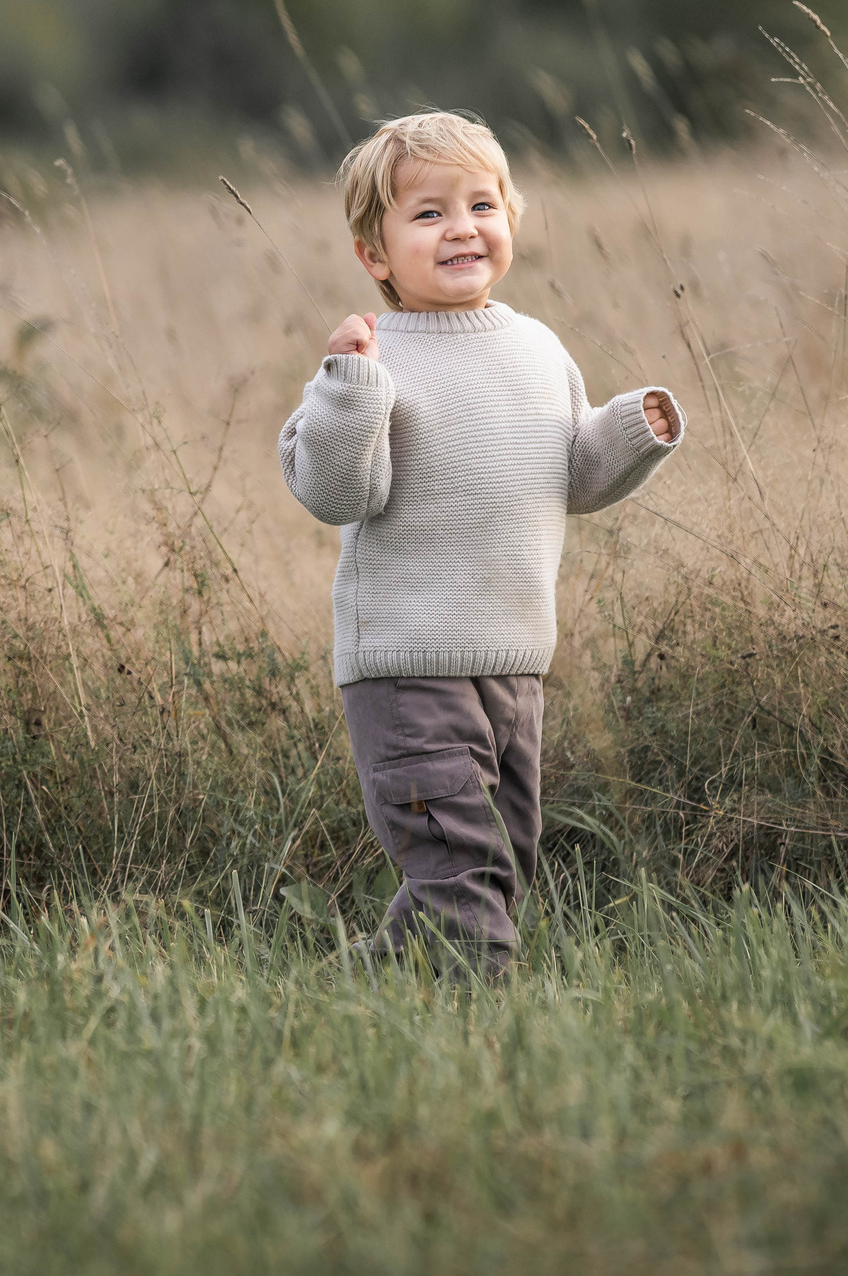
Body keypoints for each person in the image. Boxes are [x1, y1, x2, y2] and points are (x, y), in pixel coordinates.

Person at [279, 111, 681, 977]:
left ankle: (366, 980)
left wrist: (630, 430)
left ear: (510, 220)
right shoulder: (373, 361)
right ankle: (481, 1024)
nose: (462, 226)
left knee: (498, 857)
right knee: (461, 862)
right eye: (427, 213)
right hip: (405, 663)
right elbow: (339, 491)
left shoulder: (536, 346)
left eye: (482, 204)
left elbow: (573, 474)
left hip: (513, 661)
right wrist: (346, 390)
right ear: (374, 254)